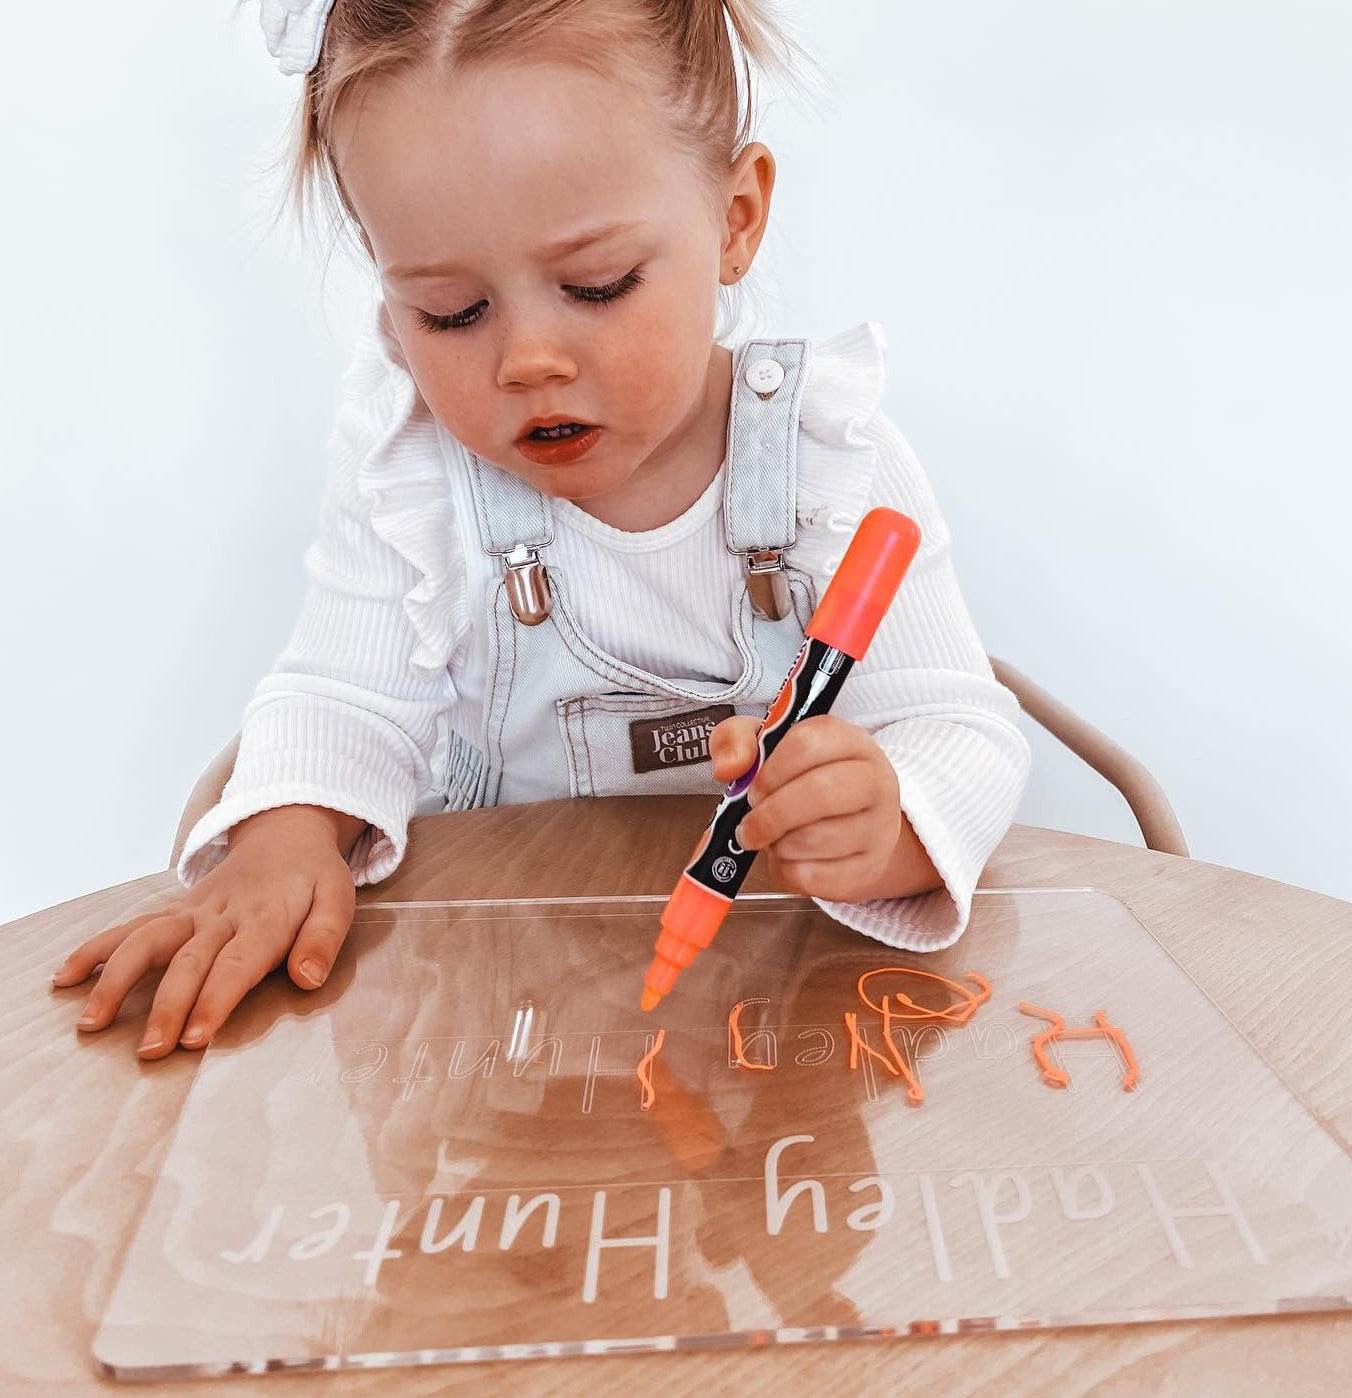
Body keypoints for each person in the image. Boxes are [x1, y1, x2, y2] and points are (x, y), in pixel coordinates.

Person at [52, 0, 1030, 1059]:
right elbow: (344, 700)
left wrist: (890, 828)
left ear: (736, 219)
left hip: (788, 1018)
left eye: (596, 287)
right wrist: (285, 838)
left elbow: (957, 728)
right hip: (496, 1021)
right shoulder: (417, 474)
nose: (528, 360)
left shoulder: (831, 462)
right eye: (450, 312)